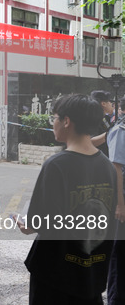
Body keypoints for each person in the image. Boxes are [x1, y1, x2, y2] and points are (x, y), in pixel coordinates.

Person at [18, 94, 117, 304]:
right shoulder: (107, 166)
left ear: (66, 121)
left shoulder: (56, 165)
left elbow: (36, 222)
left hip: (55, 276)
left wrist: (24, 224)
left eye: (54, 117)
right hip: (91, 271)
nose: (53, 123)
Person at [103, 97, 125, 305]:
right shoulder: (120, 130)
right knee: (119, 253)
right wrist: (120, 204)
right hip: (122, 200)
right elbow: (116, 168)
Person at [91, 90, 115, 156]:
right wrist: (110, 133)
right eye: (109, 102)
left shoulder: (104, 118)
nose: (111, 104)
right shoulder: (92, 119)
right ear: (103, 104)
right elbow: (90, 142)